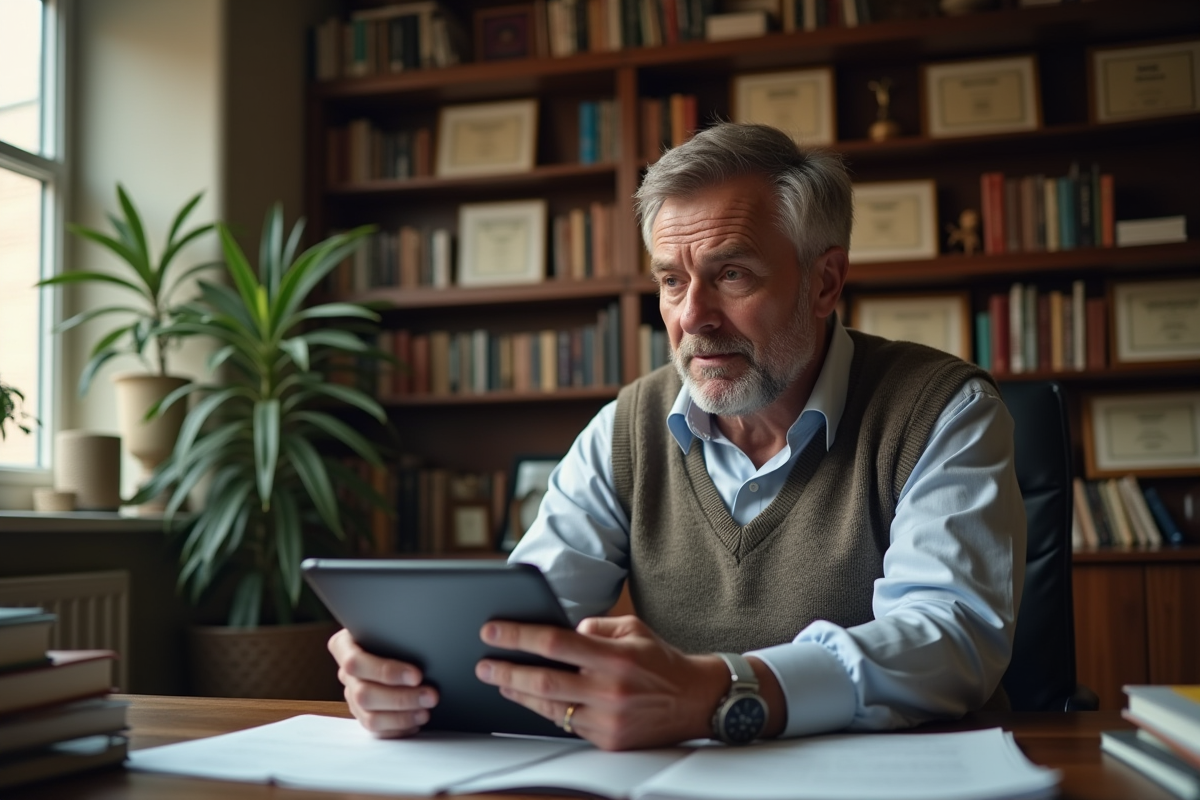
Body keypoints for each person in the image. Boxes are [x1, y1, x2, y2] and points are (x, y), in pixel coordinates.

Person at [328, 122, 1026, 752]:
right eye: (671, 280)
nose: (694, 316)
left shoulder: (942, 411)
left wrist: (724, 692)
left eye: (731, 274)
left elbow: (950, 634)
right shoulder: (627, 429)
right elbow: (521, 618)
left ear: (824, 282)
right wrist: (411, 676)